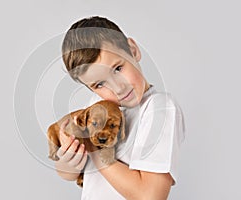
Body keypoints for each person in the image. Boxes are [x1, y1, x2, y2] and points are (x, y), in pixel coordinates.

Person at [54, 16, 185, 200]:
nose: (118, 88)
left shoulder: (159, 110)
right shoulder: (96, 107)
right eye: (100, 84)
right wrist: (67, 164)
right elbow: (69, 174)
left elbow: (149, 196)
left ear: (133, 50)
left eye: (118, 68)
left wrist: (94, 148)